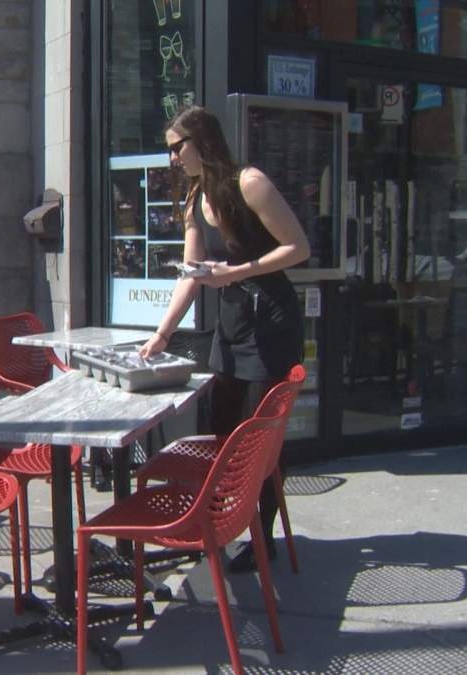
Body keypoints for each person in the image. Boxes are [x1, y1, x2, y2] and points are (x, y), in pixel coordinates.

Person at [138, 106, 310, 573]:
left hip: (270, 320)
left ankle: (262, 538)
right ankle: (225, 525)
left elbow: (298, 246)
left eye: (178, 147)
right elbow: (191, 275)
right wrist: (161, 333)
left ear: (203, 141)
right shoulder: (197, 198)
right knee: (222, 427)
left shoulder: (248, 182)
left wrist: (239, 271)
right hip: (233, 323)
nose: (173, 158)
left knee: (260, 436)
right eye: (170, 150)